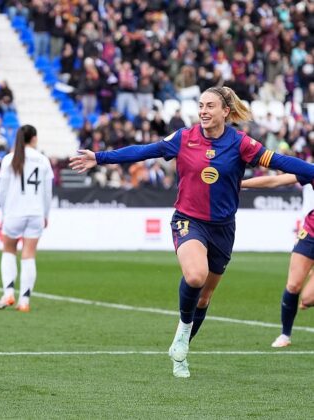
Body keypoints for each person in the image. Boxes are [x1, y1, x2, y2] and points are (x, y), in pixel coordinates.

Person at [69, 86, 314, 378]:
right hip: (188, 220)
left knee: (205, 298)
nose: (203, 111)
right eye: (200, 106)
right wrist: (100, 157)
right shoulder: (184, 138)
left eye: (210, 106)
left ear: (225, 111)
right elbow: (145, 151)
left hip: (223, 229)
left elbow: (281, 163)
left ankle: (181, 348)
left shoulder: (241, 144)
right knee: (195, 275)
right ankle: (183, 332)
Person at [241, 173, 314, 347]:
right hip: (311, 233)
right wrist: (239, 183)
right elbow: (275, 180)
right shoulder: (310, 171)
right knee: (294, 286)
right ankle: (285, 335)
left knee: (308, 299)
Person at [0, 125, 53, 312]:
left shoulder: (9, 159)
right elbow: (47, 192)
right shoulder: (43, 160)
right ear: (34, 138)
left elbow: (2, 191)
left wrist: (4, 213)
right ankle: (25, 301)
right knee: (29, 255)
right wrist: (45, 214)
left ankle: (8, 292)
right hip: (36, 212)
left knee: (9, 250)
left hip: (14, 212)